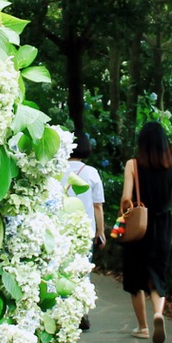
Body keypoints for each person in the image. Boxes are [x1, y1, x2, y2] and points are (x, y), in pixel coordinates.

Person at [121, 121, 172, 343]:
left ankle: (143, 327)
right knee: (157, 273)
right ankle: (158, 312)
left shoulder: (132, 165)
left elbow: (126, 197)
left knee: (136, 276)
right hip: (162, 224)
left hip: (139, 225)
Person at [65, 141, 105, 330]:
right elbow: (98, 205)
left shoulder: (57, 169)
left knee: (61, 269)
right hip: (84, 229)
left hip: (60, 228)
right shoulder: (91, 172)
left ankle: (62, 311)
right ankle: (81, 312)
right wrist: (100, 231)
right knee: (83, 270)